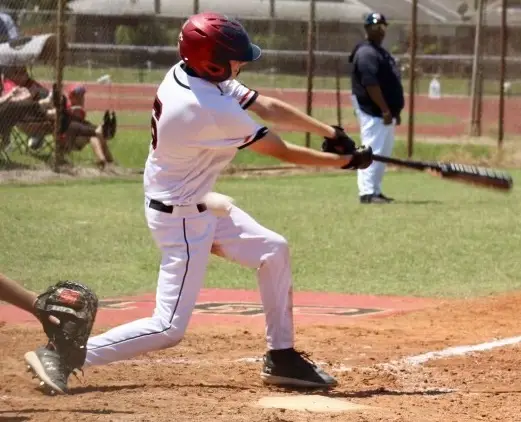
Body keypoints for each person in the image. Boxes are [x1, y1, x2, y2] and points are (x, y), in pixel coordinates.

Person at [27, 12, 372, 393]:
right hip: (181, 219)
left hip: (195, 200)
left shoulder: (191, 73)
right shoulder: (205, 106)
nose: (241, 65)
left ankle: (282, 356)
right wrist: (344, 162)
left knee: (273, 250)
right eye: (235, 59)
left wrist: (330, 132)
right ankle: (64, 354)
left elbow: (266, 105)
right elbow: (282, 151)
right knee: (168, 327)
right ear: (213, 63)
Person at [349, 12, 405, 204]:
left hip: (385, 113)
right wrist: (385, 110)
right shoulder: (366, 53)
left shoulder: (380, 52)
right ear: (367, 29)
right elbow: (370, 84)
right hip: (373, 111)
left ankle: (375, 190)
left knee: (382, 153)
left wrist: (394, 111)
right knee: (372, 150)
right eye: (375, 27)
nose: (379, 31)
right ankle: (367, 192)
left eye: (382, 27)